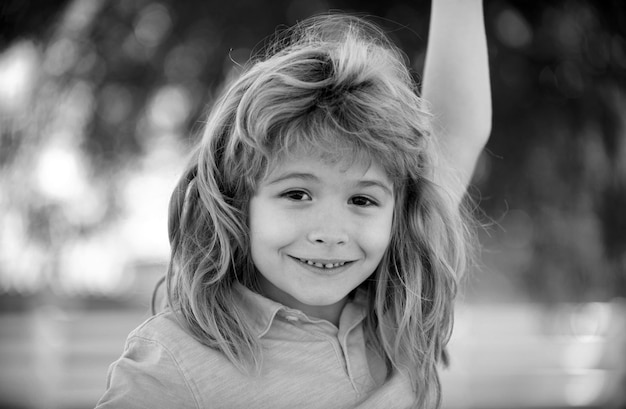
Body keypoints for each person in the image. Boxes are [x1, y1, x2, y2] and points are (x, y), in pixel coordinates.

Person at [96, 0, 491, 407]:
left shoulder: (397, 314)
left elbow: (456, 128)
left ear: (398, 213)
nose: (329, 234)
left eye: (362, 199)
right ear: (237, 202)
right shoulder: (173, 361)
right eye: (297, 194)